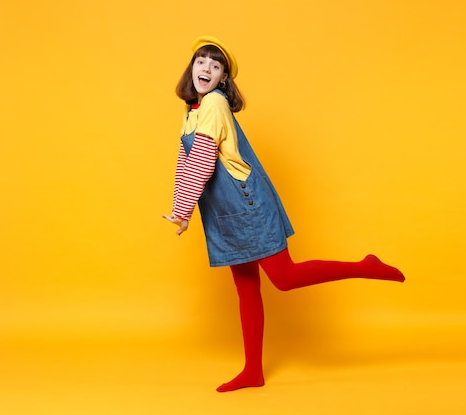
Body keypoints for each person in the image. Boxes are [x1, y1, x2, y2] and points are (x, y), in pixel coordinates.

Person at [163, 36, 405, 393]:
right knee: (246, 288)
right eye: (202, 61)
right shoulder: (192, 112)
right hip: (223, 211)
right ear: (192, 67)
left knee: (285, 277)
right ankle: (253, 372)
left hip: (245, 204)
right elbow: (185, 163)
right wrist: (180, 211)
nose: (207, 69)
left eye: (216, 67)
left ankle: (365, 266)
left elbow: (201, 159)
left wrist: (183, 209)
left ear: (223, 81)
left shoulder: (213, 104)